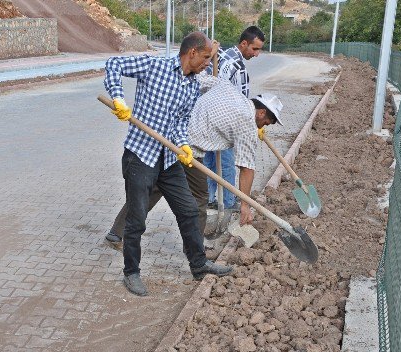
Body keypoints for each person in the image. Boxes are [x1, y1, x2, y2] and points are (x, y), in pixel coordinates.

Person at [103, 32, 233, 297]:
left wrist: (183, 144)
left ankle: (198, 264)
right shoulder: (155, 65)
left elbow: (180, 122)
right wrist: (118, 98)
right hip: (140, 155)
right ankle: (132, 272)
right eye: (207, 57)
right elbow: (113, 64)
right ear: (192, 53)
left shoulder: (193, 85)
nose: (208, 63)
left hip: (169, 159)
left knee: (188, 210)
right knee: (137, 219)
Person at [189, 73, 283, 226]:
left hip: (174, 134)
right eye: (266, 122)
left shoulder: (229, 88)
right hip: (188, 151)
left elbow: (198, 78)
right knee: (199, 200)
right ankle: (195, 246)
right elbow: (247, 169)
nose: (264, 126)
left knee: (158, 186)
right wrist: (245, 206)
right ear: (261, 112)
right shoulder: (247, 126)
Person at [204, 26, 266, 212]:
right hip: (224, 123)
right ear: (244, 43)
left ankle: (208, 197)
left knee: (209, 162)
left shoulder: (222, 54)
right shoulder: (237, 67)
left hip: (208, 118)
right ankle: (229, 203)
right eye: (254, 49)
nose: (256, 55)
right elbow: (237, 101)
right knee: (227, 163)